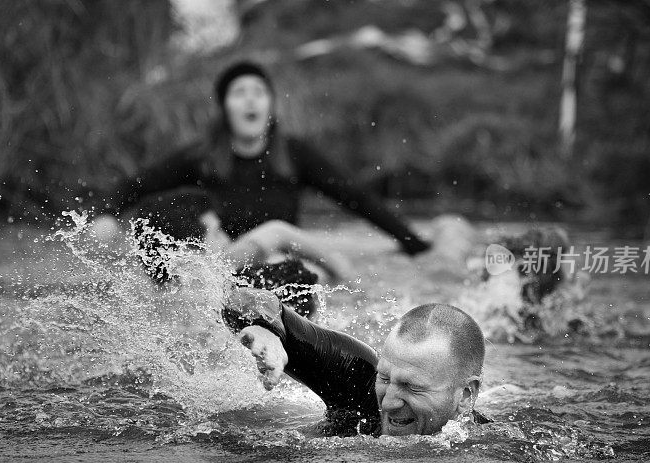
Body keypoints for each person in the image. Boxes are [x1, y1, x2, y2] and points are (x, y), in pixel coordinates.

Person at [94, 60, 431, 256]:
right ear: (225, 108)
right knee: (160, 211)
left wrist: (412, 243)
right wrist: (108, 215)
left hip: (277, 261)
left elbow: (355, 197)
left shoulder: (296, 155)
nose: (250, 102)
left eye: (259, 93)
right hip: (225, 262)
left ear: (270, 106)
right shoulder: (201, 156)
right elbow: (138, 184)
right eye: (239, 94)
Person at [222, 287, 488, 436]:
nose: (388, 402)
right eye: (385, 378)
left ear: (465, 395)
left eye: (412, 386)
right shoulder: (359, 379)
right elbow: (245, 298)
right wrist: (266, 330)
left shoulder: (494, 446)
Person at [130, 188, 349, 317]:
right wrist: (350, 278)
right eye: (216, 233)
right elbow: (277, 230)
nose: (226, 239)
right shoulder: (224, 281)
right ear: (186, 253)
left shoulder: (157, 304)